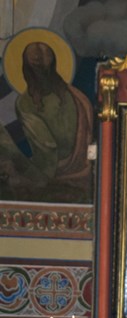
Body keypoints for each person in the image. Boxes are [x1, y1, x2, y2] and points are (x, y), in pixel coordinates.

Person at [0, 41, 94, 202]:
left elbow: (47, 150)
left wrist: (30, 176)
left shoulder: (26, 103)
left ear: (25, 70)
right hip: (84, 172)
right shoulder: (77, 95)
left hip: (49, 173)